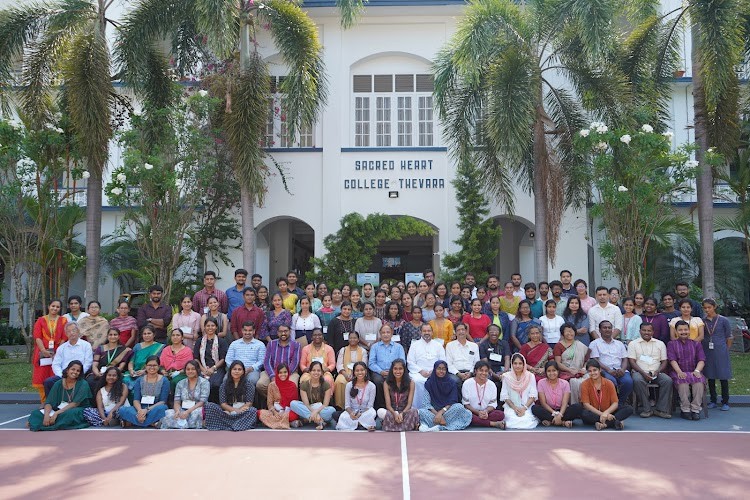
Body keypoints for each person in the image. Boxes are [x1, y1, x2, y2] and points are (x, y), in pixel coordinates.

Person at [29, 360, 92, 431]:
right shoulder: (58, 384)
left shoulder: (83, 384)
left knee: (70, 414)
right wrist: (46, 415)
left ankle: (49, 423)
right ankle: (49, 421)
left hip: (77, 409)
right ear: (67, 370)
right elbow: (49, 402)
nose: (75, 372)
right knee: (36, 413)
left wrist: (56, 413)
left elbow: (75, 404)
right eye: (73, 369)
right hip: (59, 409)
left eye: (78, 371)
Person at [628, 323, 672, 418]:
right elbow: (632, 361)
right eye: (644, 330)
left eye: (649, 331)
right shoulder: (633, 344)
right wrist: (643, 373)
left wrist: (658, 370)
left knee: (667, 380)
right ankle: (647, 409)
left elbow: (664, 361)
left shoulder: (660, 344)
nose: (646, 332)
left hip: (656, 372)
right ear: (640, 331)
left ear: (653, 332)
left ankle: (660, 409)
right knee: (637, 380)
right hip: (640, 371)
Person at [418, 360, 472, 432]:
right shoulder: (429, 383)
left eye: (444, 369)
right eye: (439, 368)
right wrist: (437, 414)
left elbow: (452, 401)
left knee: (459, 407)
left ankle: (434, 426)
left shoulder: (451, 382)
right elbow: (426, 403)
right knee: (421, 412)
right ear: (435, 370)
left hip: (447, 411)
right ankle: (444, 424)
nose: (441, 371)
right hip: (433, 412)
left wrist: (441, 413)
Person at [668, 320, 706, 420]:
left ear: (689, 331)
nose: (683, 332)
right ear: (676, 331)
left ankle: (695, 409)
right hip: (678, 371)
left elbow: (701, 359)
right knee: (682, 382)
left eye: (685, 329)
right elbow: (672, 360)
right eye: (680, 330)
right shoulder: (671, 344)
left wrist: (697, 371)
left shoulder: (696, 344)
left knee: (698, 381)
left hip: (694, 371)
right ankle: (685, 409)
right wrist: (679, 372)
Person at [580, 359, 634, 430]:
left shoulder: (609, 383)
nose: (592, 373)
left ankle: (604, 425)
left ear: (600, 370)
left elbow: (615, 403)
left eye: (595, 370)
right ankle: (615, 422)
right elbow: (586, 405)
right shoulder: (584, 384)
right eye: (590, 371)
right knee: (584, 414)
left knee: (629, 409)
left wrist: (606, 412)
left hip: (609, 411)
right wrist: (603, 414)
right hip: (595, 413)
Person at [32, 300, 68, 402]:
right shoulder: (40, 320)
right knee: (42, 375)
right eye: (53, 306)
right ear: (49, 306)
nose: (55, 308)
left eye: (57, 307)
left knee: (55, 375)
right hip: (42, 351)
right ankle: (44, 401)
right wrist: (43, 350)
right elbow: (37, 337)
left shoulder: (63, 320)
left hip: (57, 352)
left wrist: (58, 351)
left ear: (60, 309)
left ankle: (55, 400)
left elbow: (64, 337)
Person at [589, 320, 633, 404]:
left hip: (619, 369)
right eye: (604, 328)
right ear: (600, 330)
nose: (607, 329)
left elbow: (624, 359)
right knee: (611, 381)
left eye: (609, 328)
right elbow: (595, 360)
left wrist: (623, 369)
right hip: (604, 370)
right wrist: (608, 370)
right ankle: (611, 403)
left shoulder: (619, 344)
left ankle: (620, 403)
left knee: (628, 382)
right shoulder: (594, 343)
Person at [119, 355, 169, 427]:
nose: (152, 367)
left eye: (154, 365)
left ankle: (135, 422)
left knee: (163, 408)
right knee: (122, 409)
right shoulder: (140, 380)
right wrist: (140, 411)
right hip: (140, 408)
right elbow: (136, 400)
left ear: (158, 366)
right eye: (149, 365)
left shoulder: (164, 380)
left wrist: (147, 410)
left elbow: (162, 401)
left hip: (154, 408)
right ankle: (151, 423)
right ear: (145, 366)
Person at [45, 322, 93, 397]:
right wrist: (62, 376)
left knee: (90, 382)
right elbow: (56, 364)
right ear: (66, 333)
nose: (71, 333)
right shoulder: (62, 348)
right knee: (48, 382)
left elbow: (88, 362)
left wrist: (77, 374)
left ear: (78, 331)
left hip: (80, 374)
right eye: (68, 331)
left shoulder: (86, 345)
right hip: (64, 375)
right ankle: (50, 404)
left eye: (73, 330)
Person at [702, 298, 733, 410]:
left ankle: (725, 401)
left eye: (709, 307)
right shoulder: (703, 321)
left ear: (714, 307)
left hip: (721, 351)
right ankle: (713, 400)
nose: (707, 310)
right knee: (710, 375)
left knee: (723, 375)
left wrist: (726, 349)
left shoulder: (723, 320)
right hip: (707, 351)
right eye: (705, 308)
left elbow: (729, 336)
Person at [161, 360, 210, 429]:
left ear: (197, 370)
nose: (190, 371)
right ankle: (184, 424)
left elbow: (202, 402)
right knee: (168, 413)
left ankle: (183, 425)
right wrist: (177, 411)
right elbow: (177, 401)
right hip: (183, 409)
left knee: (197, 413)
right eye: (188, 369)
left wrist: (188, 412)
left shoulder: (204, 382)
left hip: (197, 408)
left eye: (193, 369)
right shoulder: (180, 383)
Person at [532, 360, 582, 427]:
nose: (551, 373)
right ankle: (563, 422)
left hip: (562, 411)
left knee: (578, 407)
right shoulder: (541, 383)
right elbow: (543, 403)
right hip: (549, 411)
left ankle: (551, 421)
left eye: (554, 370)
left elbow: (565, 403)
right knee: (535, 408)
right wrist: (554, 413)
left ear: (558, 371)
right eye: (549, 371)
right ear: (546, 373)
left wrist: (560, 414)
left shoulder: (565, 383)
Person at [257, 325, 301, 400]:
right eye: (281, 331)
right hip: (272, 371)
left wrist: (284, 375)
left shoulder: (296, 345)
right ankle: (275, 400)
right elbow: (267, 362)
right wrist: (273, 376)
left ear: (290, 332)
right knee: (260, 384)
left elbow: (295, 362)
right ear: (277, 333)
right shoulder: (271, 344)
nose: (283, 333)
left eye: (285, 331)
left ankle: (286, 403)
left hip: (290, 373)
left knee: (293, 385)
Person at [407, 324, 447, 408]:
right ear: (420, 332)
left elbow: (443, 361)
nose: (426, 333)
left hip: (436, 372)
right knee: (417, 381)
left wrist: (434, 371)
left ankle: (434, 407)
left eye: (428, 331)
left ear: (432, 332)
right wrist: (421, 371)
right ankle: (417, 408)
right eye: (424, 331)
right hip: (418, 372)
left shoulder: (438, 345)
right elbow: (410, 362)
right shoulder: (414, 345)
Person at [368, 324, 406, 408]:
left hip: (395, 372)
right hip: (379, 372)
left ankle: (396, 406)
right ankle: (381, 407)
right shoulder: (375, 347)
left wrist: (393, 371)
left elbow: (403, 362)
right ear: (380, 334)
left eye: (388, 332)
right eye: (383, 332)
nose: (386, 334)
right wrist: (381, 371)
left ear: (392, 333)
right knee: (378, 381)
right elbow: (371, 363)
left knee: (398, 380)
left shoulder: (399, 347)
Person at [290, 361, 336, 429]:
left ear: (321, 372)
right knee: (293, 404)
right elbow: (306, 404)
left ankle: (307, 420)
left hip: (321, 409)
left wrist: (316, 412)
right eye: (313, 370)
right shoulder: (304, 385)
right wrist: (315, 414)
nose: (316, 373)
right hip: (308, 408)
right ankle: (319, 421)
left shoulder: (326, 385)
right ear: (310, 372)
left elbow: (325, 404)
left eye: (318, 370)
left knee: (332, 410)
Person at [378, 359, 420, 431]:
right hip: (392, 412)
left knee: (414, 411)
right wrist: (395, 414)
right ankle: (406, 426)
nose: (398, 371)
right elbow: (388, 405)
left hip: (405, 412)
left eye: (400, 369)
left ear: (404, 370)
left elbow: (409, 404)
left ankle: (392, 426)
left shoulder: (411, 383)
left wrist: (402, 414)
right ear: (392, 370)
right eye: (395, 369)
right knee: (380, 411)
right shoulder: (387, 383)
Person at [193, 318, 228, 402]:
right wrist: (203, 369)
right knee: (200, 382)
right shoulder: (199, 341)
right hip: (202, 368)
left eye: (212, 325)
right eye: (208, 326)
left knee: (215, 384)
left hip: (217, 368)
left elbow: (223, 359)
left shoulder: (222, 341)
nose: (210, 328)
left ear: (216, 327)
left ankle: (214, 406)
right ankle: (200, 406)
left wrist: (213, 368)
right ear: (204, 328)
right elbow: (196, 358)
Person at [87, 328, 132, 393]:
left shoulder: (124, 350)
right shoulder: (100, 348)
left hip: (114, 374)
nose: (113, 337)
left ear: (119, 336)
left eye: (115, 335)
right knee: (90, 381)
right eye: (110, 335)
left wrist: (111, 375)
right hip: (100, 373)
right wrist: (97, 373)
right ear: (107, 336)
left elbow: (121, 367)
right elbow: (95, 364)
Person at [553, 323, 589, 404]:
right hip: (566, 372)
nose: (570, 333)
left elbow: (587, 360)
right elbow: (557, 363)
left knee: (590, 377)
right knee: (574, 382)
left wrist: (583, 369)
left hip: (580, 371)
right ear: (563, 333)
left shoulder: (579, 344)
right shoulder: (558, 346)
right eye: (567, 331)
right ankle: (575, 404)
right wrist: (570, 370)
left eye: (571, 331)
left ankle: (588, 404)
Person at [500, 353, 539, 429]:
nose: (517, 366)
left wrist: (524, 408)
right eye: (515, 363)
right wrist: (514, 408)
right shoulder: (506, 376)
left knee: (526, 420)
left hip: (527, 406)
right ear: (512, 364)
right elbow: (505, 396)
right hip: (511, 407)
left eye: (520, 363)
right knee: (512, 420)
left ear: (524, 364)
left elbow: (533, 395)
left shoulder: (530, 376)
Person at [462, 360, 505, 428]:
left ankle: (476, 422)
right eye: (481, 370)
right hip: (472, 412)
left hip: (486, 413)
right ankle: (493, 424)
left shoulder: (492, 385)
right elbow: (466, 404)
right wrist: (478, 413)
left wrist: (486, 411)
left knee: (500, 414)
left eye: (486, 371)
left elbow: (493, 405)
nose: (484, 373)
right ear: (475, 371)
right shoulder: (467, 383)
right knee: (464, 414)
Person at [336, 362, 377, 431]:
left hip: (365, 413)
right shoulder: (349, 385)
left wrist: (360, 414)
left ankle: (354, 424)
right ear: (354, 372)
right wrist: (351, 413)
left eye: (362, 370)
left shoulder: (371, 386)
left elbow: (370, 406)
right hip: (352, 413)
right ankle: (362, 424)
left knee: (373, 412)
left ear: (366, 371)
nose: (360, 372)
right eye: (357, 370)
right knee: (337, 415)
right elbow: (347, 405)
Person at [225, 321, 266, 388]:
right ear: (242, 331)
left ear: (254, 331)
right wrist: (236, 369)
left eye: (250, 330)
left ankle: (249, 398)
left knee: (252, 380)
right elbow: (228, 359)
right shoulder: (234, 344)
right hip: (235, 370)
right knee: (226, 380)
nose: (247, 332)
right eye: (245, 330)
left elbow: (261, 361)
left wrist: (251, 368)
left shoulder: (260, 345)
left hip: (252, 371)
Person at [257, 363, 297, 429]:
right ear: (277, 374)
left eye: (285, 372)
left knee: (294, 415)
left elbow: (294, 404)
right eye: (280, 372)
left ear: (288, 372)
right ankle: (288, 423)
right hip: (275, 411)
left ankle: (271, 423)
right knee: (259, 412)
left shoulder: (292, 385)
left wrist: (284, 412)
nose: (283, 374)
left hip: (287, 412)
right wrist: (275, 413)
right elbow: (269, 404)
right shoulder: (272, 385)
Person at [123, 325, 164, 390]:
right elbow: (131, 361)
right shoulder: (137, 346)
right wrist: (131, 370)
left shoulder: (159, 347)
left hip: (150, 372)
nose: (146, 335)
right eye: (144, 334)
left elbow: (159, 364)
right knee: (125, 380)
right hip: (135, 373)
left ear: (154, 334)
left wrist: (144, 371)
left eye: (149, 333)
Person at [335, 331, 368, 409]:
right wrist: (345, 374)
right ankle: (341, 407)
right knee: (339, 381)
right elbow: (339, 365)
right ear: (348, 339)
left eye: (354, 338)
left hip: (359, 373)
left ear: (358, 339)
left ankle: (357, 406)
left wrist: (355, 375)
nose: (352, 339)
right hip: (345, 373)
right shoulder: (343, 350)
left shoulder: (363, 351)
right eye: (351, 338)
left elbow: (364, 365)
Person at [158, 328, 193, 393]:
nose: (175, 337)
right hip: (167, 373)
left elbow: (189, 366)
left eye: (177, 335)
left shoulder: (187, 350)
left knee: (175, 381)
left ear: (182, 338)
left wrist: (178, 372)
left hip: (182, 374)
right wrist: (163, 371)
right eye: (173, 335)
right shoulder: (166, 350)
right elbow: (160, 364)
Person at [445, 323, 479, 387]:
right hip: (455, 373)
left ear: (466, 331)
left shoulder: (474, 346)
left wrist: (470, 373)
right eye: (458, 330)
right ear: (455, 332)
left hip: (470, 372)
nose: (461, 332)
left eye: (463, 330)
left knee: (473, 381)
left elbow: (476, 363)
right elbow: (449, 364)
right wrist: (458, 374)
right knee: (455, 381)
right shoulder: (450, 345)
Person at [479, 324, 511, 390]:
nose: (494, 333)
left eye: (496, 331)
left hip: (502, 368)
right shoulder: (483, 345)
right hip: (489, 369)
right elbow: (485, 362)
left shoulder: (504, 343)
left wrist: (505, 372)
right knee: (486, 378)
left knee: (510, 378)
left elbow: (507, 358)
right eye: (491, 331)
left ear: (499, 334)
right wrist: (493, 374)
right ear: (488, 333)